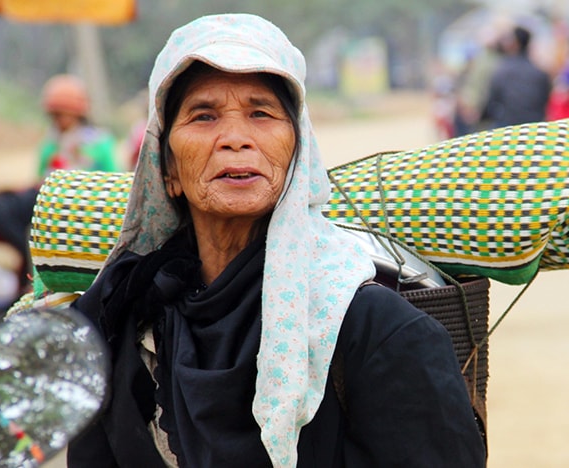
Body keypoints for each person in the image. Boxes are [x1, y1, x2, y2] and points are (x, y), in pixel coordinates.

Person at [65, 13, 486, 468]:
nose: (235, 139)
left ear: (296, 155)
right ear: (167, 171)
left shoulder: (375, 330)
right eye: (203, 116)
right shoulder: (116, 326)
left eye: (261, 113)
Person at [0, 74, 119, 309]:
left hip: (88, 219)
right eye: (54, 115)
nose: (58, 120)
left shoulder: (99, 144)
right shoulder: (50, 144)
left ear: (77, 112)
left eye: (61, 114)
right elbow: (40, 183)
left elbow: (114, 181)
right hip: (54, 221)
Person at [481, 25, 552, 129]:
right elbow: (546, 100)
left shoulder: (503, 70)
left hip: (509, 127)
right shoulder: (540, 73)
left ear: (515, 43)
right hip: (535, 127)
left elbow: (493, 100)